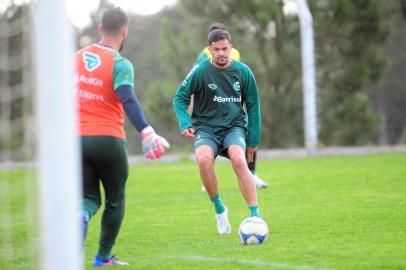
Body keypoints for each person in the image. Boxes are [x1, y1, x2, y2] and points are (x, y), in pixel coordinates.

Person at [74, 7, 169, 266]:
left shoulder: (76, 57)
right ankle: (103, 258)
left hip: (76, 139)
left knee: (89, 197)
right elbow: (127, 98)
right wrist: (146, 132)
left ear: (100, 28)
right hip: (108, 138)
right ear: (124, 31)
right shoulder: (120, 63)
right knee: (115, 199)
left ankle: (81, 216)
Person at [173, 29, 264, 234]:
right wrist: (184, 123)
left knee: (240, 161)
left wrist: (253, 140)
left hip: (234, 126)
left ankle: (255, 216)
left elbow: (253, 106)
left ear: (231, 47)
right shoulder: (200, 71)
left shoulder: (243, 72)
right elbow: (180, 98)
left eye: (225, 48)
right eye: (217, 49)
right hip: (206, 127)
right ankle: (219, 209)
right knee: (204, 159)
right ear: (209, 50)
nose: (221, 53)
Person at [195, 23, 268, 190]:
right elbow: (195, 81)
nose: (221, 51)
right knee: (208, 142)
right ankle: (207, 177)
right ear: (210, 43)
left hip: (233, 106)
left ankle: (252, 173)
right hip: (211, 107)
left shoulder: (235, 54)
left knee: (249, 131)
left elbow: (237, 76)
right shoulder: (203, 56)